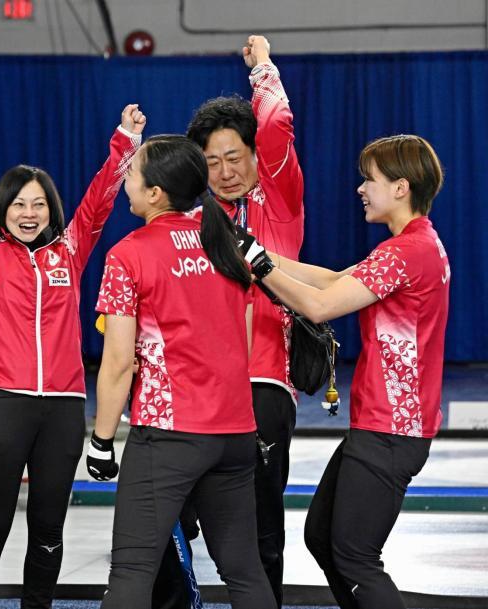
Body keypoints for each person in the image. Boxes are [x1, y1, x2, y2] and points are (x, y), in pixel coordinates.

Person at [0, 88, 144, 609]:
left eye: (38, 204)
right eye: (18, 204)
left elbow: (101, 199)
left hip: (60, 408)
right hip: (2, 405)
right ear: (3, 210)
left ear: (50, 209)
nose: (28, 213)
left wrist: (125, 141)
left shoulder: (70, 250)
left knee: (49, 528)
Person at [240, 134, 449, 609]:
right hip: (382, 425)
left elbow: (318, 306)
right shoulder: (413, 244)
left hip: (391, 430)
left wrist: (259, 263)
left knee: (355, 556)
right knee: (320, 536)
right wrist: (256, 255)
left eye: (369, 179)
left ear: (400, 187)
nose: (361, 188)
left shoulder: (406, 252)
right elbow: (334, 280)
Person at [88, 134, 275, 609]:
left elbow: (118, 364)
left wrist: (102, 441)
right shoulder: (228, 242)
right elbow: (246, 336)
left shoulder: (129, 253)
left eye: (131, 175)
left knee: (131, 570)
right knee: (245, 572)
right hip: (235, 431)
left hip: (169, 434)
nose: (125, 183)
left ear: (155, 193)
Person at [185, 34, 305, 606]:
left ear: (257, 157)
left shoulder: (279, 199)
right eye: (211, 162)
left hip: (262, 387)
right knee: (166, 522)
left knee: (262, 528)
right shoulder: (191, 219)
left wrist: (263, 73)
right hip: (193, 393)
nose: (226, 171)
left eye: (236, 157)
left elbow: (277, 127)